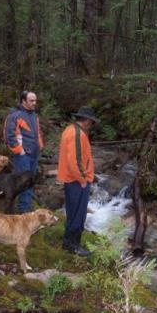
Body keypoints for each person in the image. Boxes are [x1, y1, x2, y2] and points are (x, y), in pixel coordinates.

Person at [57, 106, 99, 256]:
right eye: (92, 122)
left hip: (71, 178)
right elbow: (74, 160)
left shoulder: (70, 130)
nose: (92, 125)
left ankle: (68, 243)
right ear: (87, 120)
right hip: (76, 180)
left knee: (73, 212)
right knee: (78, 214)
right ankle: (73, 246)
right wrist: (82, 180)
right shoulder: (77, 134)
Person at [4, 91, 43, 213]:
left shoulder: (34, 116)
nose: (34, 103)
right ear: (23, 101)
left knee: (30, 182)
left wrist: (40, 146)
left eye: (35, 100)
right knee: (23, 183)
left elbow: (37, 133)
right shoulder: (14, 116)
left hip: (34, 154)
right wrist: (19, 151)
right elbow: (8, 136)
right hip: (23, 156)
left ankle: (27, 208)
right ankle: (24, 211)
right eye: (31, 100)